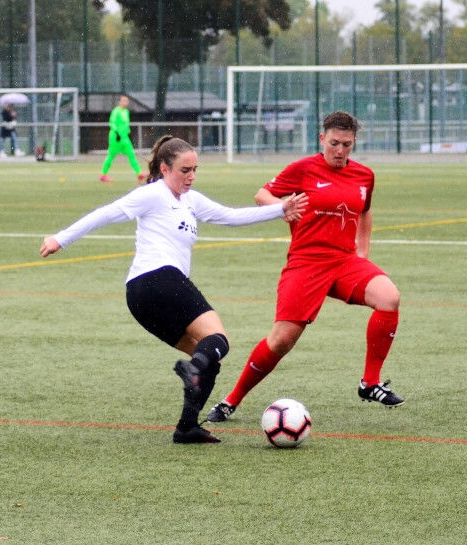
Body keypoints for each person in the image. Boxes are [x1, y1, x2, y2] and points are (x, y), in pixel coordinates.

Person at [39, 135, 308, 444]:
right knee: (218, 340)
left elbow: (231, 216)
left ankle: (187, 427)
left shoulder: (191, 200)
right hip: (159, 279)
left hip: (140, 297)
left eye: (194, 170)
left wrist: (280, 209)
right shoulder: (153, 194)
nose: (191, 176)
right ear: (165, 169)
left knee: (209, 359)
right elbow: (106, 213)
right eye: (184, 170)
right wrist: (61, 238)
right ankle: (192, 372)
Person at [207, 110, 404, 423]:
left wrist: (363, 252)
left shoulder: (364, 175)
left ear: (354, 143)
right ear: (322, 139)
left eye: (347, 145)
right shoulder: (303, 169)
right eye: (334, 143)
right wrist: (281, 207)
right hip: (306, 263)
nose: (339, 150)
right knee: (281, 340)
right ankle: (231, 400)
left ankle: (370, 383)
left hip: (344, 261)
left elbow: (365, 211)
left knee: (389, 297)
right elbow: (262, 194)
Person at [100, 94, 147, 183]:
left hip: (124, 138)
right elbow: (112, 122)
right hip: (116, 138)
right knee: (111, 155)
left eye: (126, 101)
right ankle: (103, 175)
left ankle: (139, 174)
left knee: (131, 154)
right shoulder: (116, 111)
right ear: (120, 102)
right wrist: (116, 132)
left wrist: (128, 130)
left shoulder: (126, 112)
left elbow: (126, 124)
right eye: (123, 101)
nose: (125, 102)